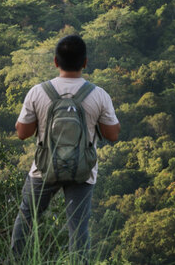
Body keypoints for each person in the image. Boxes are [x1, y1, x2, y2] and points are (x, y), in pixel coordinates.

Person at [11, 35, 120, 260]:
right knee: (78, 228)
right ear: (85, 62)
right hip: (82, 171)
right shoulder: (98, 95)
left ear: (55, 62)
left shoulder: (38, 92)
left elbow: (22, 134)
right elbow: (112, 135)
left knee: (27, 216)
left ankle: (15, 261)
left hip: (43, 169)